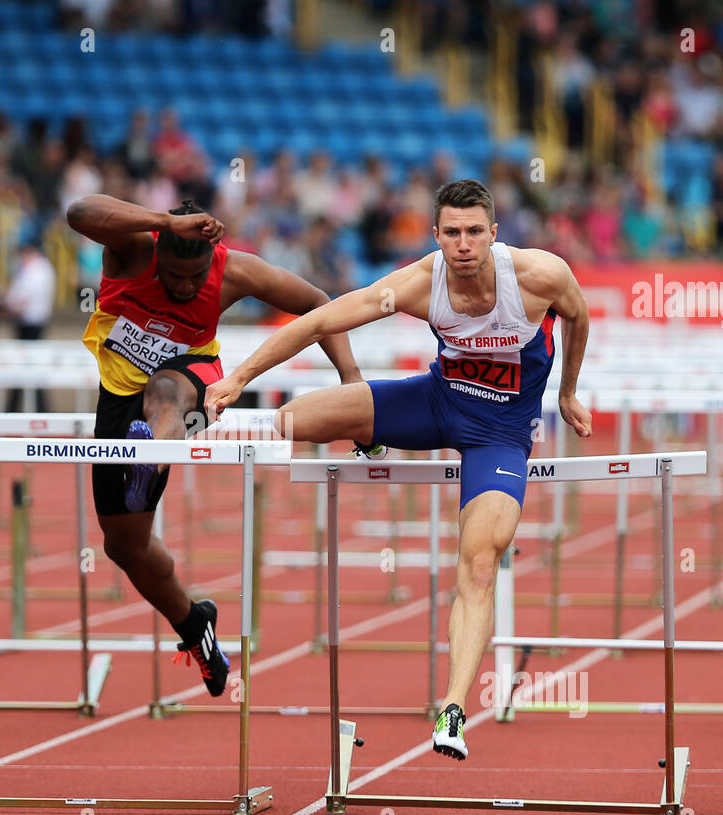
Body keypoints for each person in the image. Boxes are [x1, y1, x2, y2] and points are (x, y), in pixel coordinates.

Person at [205, 180, 593, 756]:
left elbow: (579, 318)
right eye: (452, 233)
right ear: (435, 236)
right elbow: (320, 321)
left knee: (480, 558)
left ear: (494, 234)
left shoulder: (541, 276)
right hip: (436, 403)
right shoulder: (417, 283)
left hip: (500, 435)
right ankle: (369, 436)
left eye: (474, 232)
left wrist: (567, 393)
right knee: (291, 422)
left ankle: (453, 711)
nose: (463, 244)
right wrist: (238, 378)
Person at [65, 194, 364, 695]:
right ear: (157, 250)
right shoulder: (133, 249)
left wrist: (350, 376)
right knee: (124, 547)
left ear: (211, 261)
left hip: (194, 382)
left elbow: (317, 303)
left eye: (193, 278)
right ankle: (194, 624)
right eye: (172, 277)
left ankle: (150, 461)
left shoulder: (235, 272)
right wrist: (164, 221)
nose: (183, 287)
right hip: (119, 391)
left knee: (165, 393)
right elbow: (78, 213)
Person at [2, 240, 56, 413]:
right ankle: (18, 409)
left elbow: (23, 299)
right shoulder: (36, 268)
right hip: (29, 324)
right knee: (24, 371)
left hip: (31, 326)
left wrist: (8, 305)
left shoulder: (36, 269)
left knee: (29, 370)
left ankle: (29, 410)